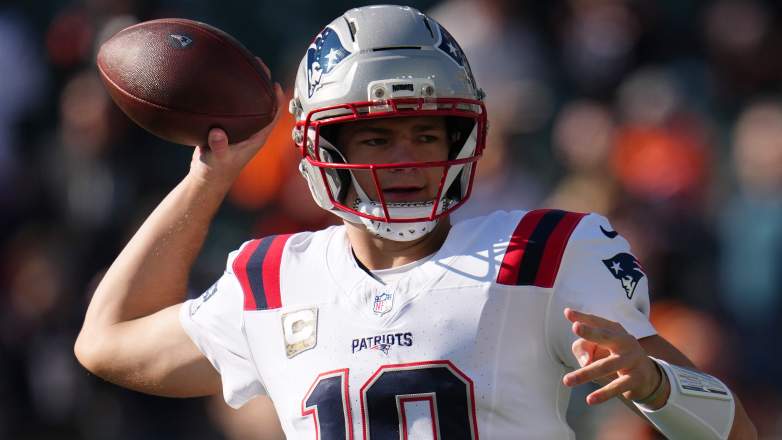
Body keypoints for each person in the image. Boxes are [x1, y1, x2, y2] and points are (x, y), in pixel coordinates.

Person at [75, 5, 755, 439]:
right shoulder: (275, 279)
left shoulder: (546, 252)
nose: (405, 159)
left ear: (462, 142)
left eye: (428, 135)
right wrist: (207, 179)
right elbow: (106, 341)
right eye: (375, 139)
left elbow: (733, 433)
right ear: (323, 148)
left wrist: (657, 385)